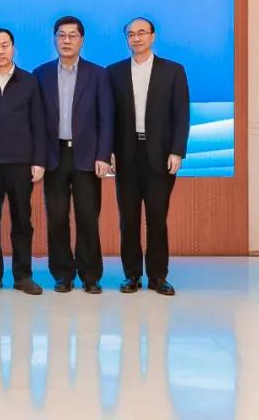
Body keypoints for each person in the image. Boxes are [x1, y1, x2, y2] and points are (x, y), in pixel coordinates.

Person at [108, 18, 190, 296]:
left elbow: (181, 114)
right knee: (128, 219)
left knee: (157, 217)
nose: (136, 38)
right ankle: (131, 275)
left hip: (160, 156)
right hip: (126, 155)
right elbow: (109, 117)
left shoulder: (173, 71)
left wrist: (177, 151)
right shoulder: (114, 72)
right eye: (131, 34)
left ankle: (158, 276)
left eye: (142, 33)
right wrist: (109, 151)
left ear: (153, 36)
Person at [34, 16, 113, 294]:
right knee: (56, 218)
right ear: (54, 39)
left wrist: (104, 155)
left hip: (87, 157)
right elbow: (36, 121)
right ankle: (62, 274)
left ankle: (90, 275)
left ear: (82, 40)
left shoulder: (98, 74)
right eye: (61, 35)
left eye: (72, 36)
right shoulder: (41, 74)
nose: (66, 40)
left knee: (87, 217)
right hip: (53, 156)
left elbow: (106, 119)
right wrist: (37, 159)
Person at [0, 28, 45, 295]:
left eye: (4, 46)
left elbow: (38, 122)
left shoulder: (30, 81)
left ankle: (23, 276)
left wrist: (38, 160)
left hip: (21, 162)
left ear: (13, 48)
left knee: (22, 220)